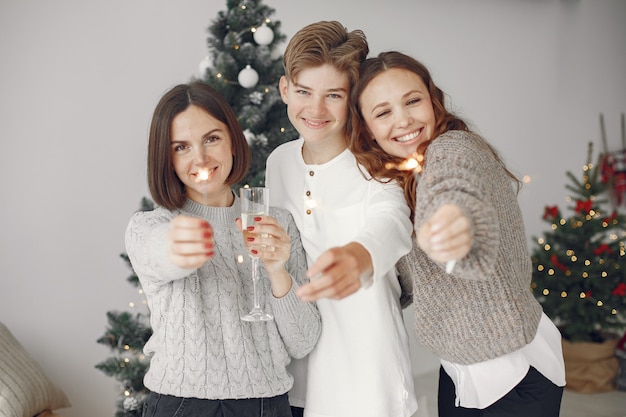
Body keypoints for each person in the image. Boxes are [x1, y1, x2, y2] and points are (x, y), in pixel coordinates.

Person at [351, 50, 566, 417]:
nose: (403, 120)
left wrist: (453, 227)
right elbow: (409, 283)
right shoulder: (402, 181)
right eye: (383, 112)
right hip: (458, 370)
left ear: (433, 102)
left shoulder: (454, 148)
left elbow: (454, 190)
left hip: (515, 368)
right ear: (368, 129)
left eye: (412, 101)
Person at [125, 81, 321, 417]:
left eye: (211, 138)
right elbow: (162, 253)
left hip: (266, 403)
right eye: (181, 147)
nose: (199, 157)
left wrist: (278, 270)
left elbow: (303, 341)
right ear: (167, 159)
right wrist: (180, 245)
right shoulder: (150, 227)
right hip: (180, 405)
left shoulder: (278, 222)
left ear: (232, 141)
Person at [265, 21, 418, 417]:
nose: (315, 110)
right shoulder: (278, 161)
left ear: (351, 100)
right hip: (299, 371)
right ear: (285, 90)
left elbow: (393, 222)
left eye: (332, 95)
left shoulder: (376, 162)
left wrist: (359, 254)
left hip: (368, 375)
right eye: (303, 92)